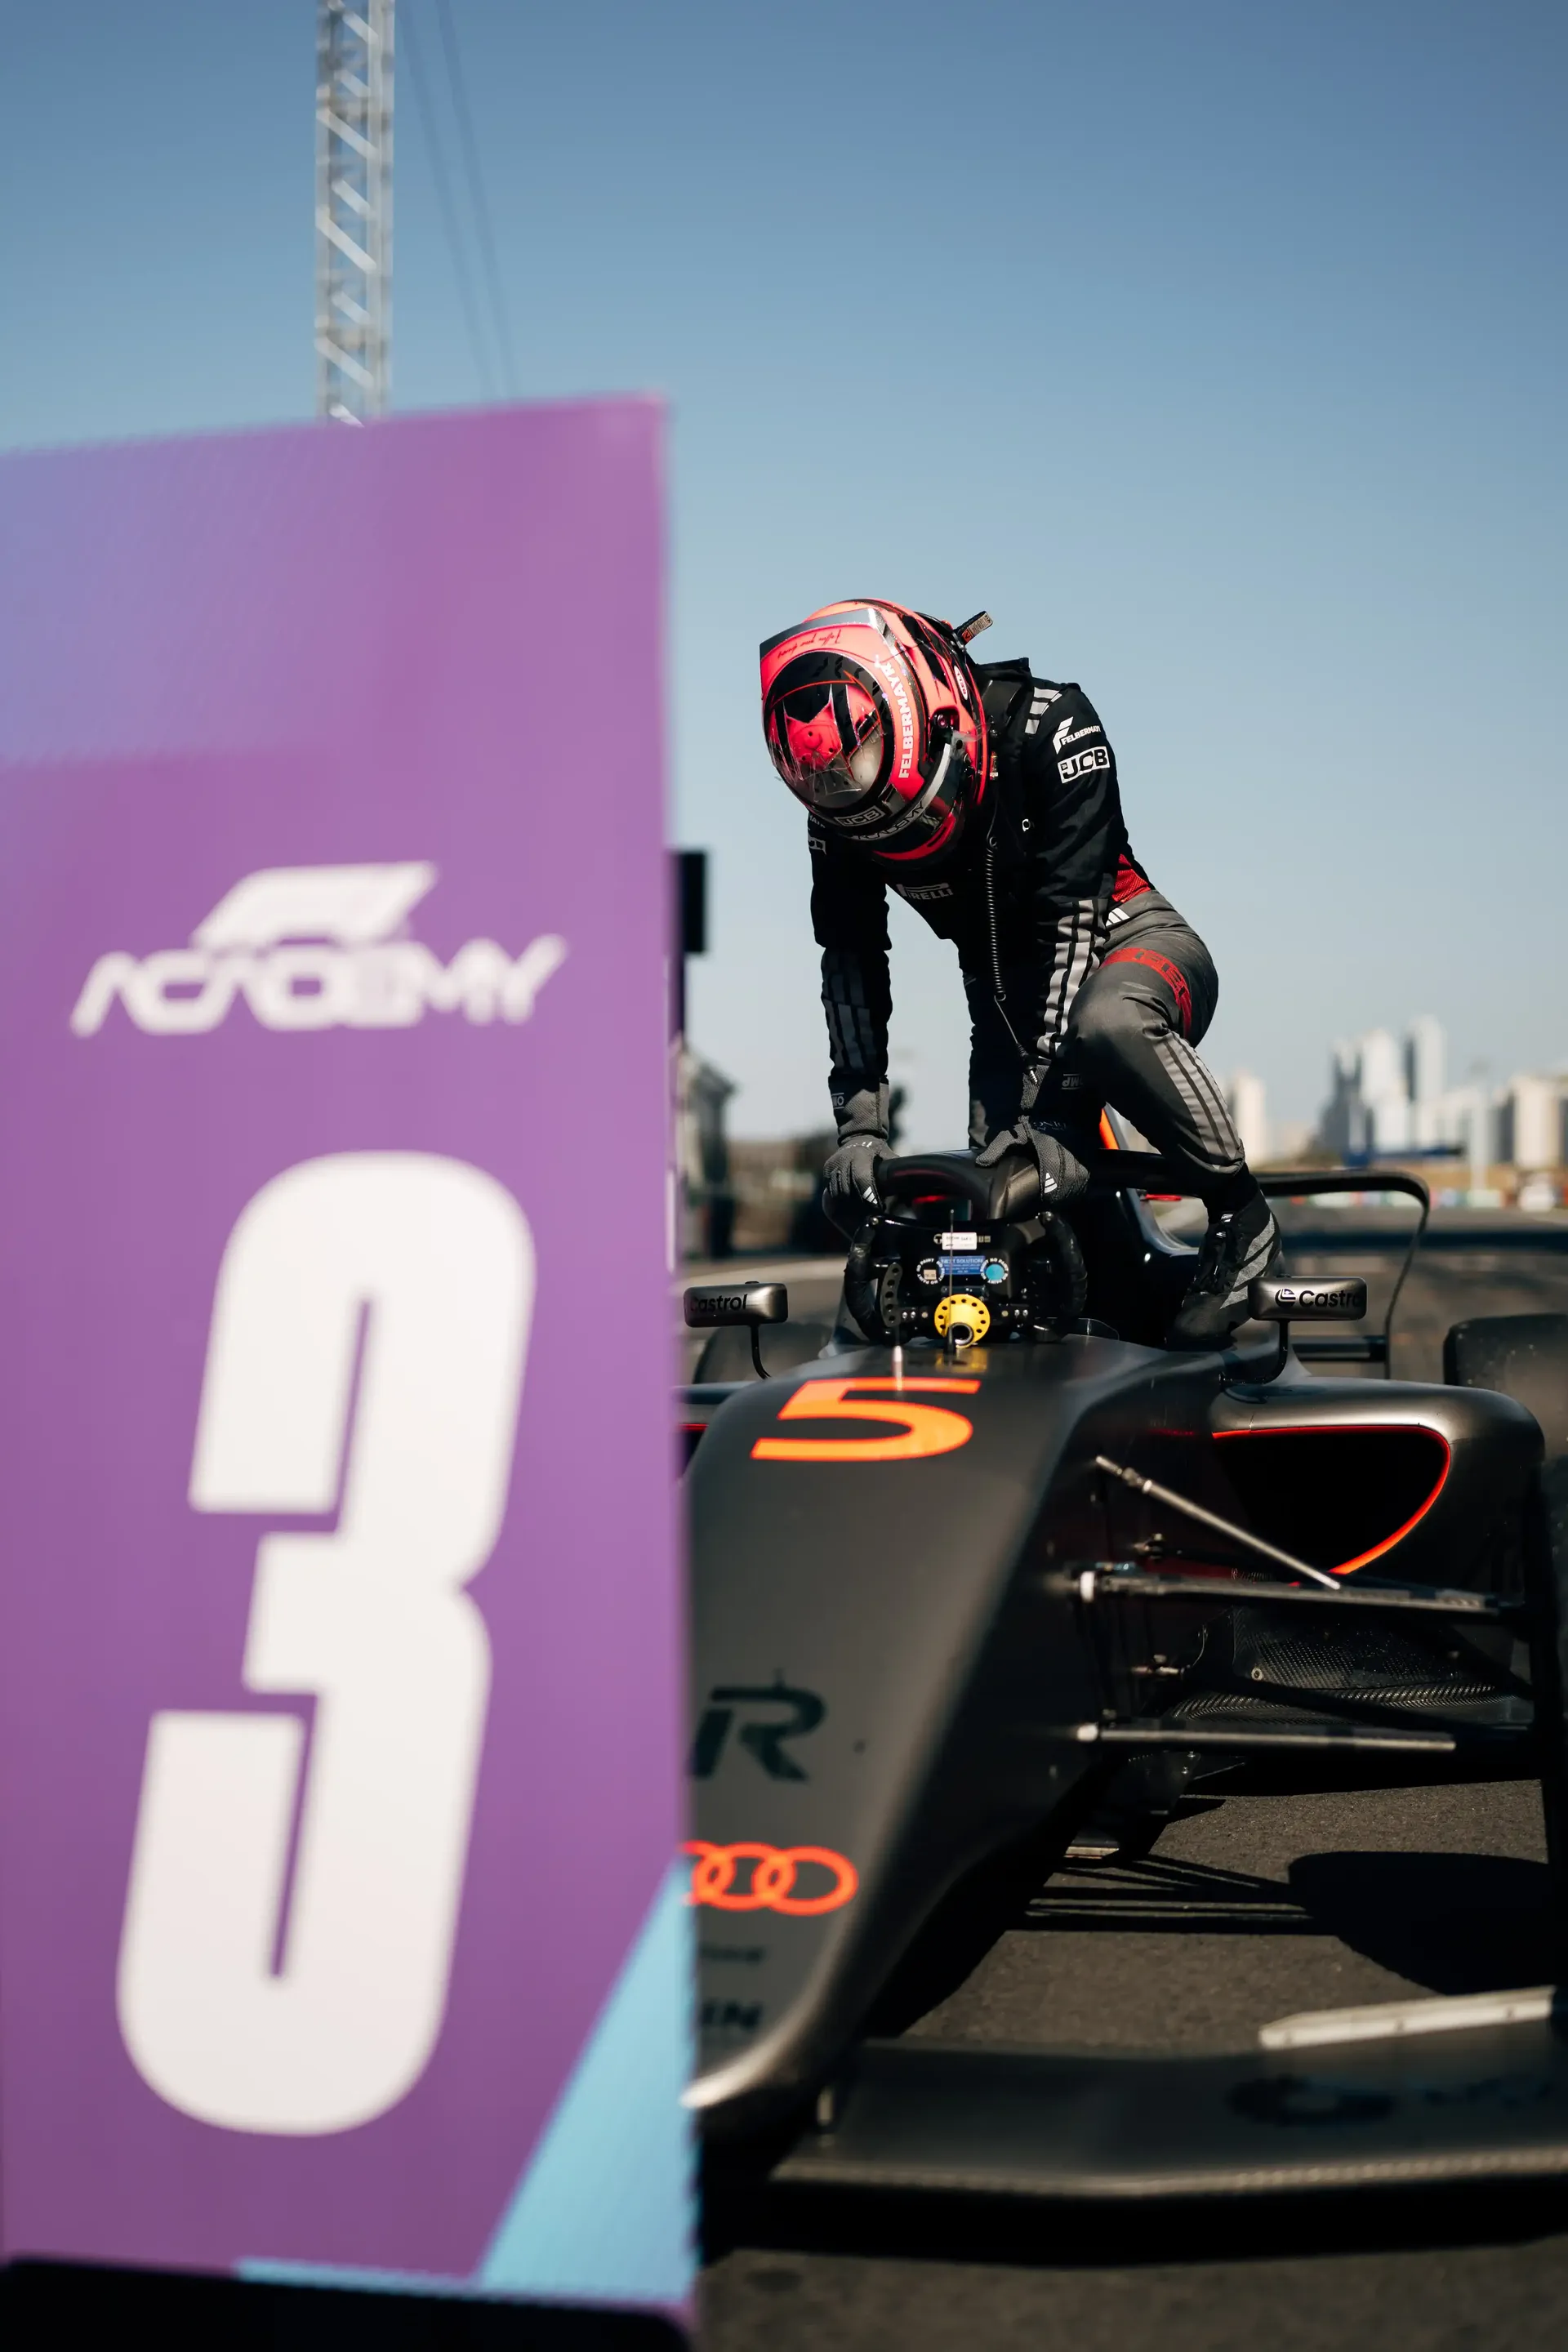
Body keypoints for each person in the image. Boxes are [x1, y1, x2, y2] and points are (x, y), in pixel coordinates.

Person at [759, 598, 1279, 1347]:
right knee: (997, 1225)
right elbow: (850, 960)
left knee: (1109, 1023)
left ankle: (1244, 1216)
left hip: (1130, 949)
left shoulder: (1053, 724)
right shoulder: (837, 809)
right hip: (1007, 1011)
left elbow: (1073, 916)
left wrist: (1058, 1115)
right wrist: (858, 1130)